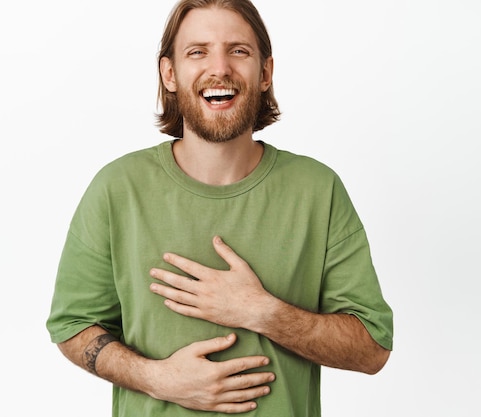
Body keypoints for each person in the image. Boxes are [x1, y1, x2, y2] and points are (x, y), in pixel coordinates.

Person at [46, 0, 393, 415]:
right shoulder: (117, 188)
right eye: (198, 51)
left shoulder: (318, 190)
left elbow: (372, 349)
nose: (220, 68)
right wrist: (157, 379)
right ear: (169, 74)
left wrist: (262, 312)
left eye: (239, 51)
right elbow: (72, 326)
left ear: (265, 73)